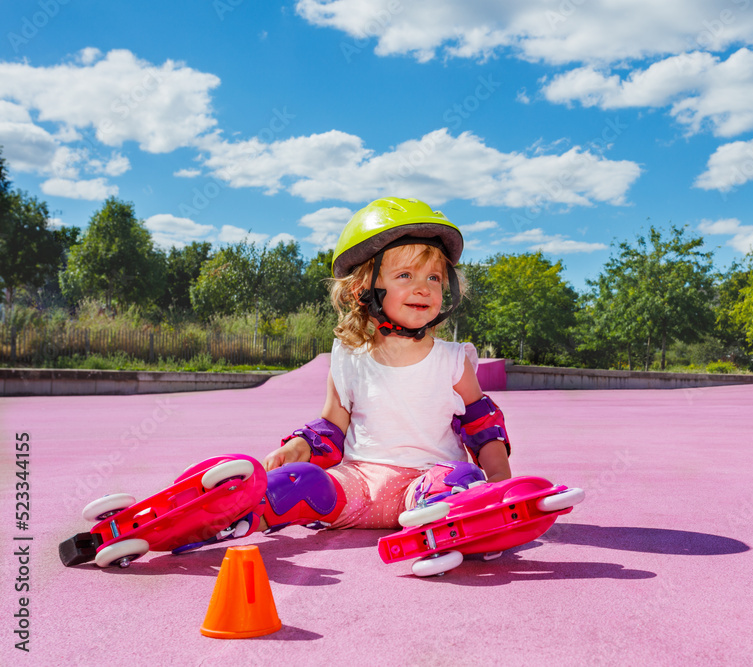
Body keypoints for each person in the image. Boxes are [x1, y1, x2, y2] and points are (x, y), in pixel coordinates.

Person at [181, 197, 511, 550]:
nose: (423, 288)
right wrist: (299, 447)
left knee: (461, 480)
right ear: (363, 289)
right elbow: (332, 426)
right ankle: (224, 518)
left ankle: (459, 519)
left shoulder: (452, 360)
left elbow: (482, 427)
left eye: (434, 277)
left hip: (427, 486)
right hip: (361, 486)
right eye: (405, 275)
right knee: (301, 481)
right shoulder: (349, 357)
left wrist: (501, 488)